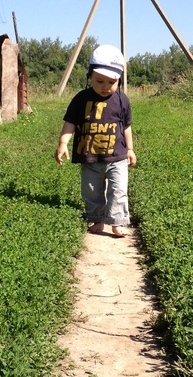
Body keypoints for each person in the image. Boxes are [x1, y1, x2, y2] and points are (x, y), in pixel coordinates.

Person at [55, 45, 136, 237]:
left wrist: (130, 149)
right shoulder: (81, 99)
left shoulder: (122, 100)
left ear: (119, 80)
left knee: (118, 190)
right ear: (89, 76)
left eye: (111, 81)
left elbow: (126, 127)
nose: (105, 86)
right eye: (99, 81)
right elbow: (70, 122)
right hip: (90, 157)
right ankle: (97, 219)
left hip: (117, 157)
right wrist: (63, 143)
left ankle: (117, 221)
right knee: (92, 191)